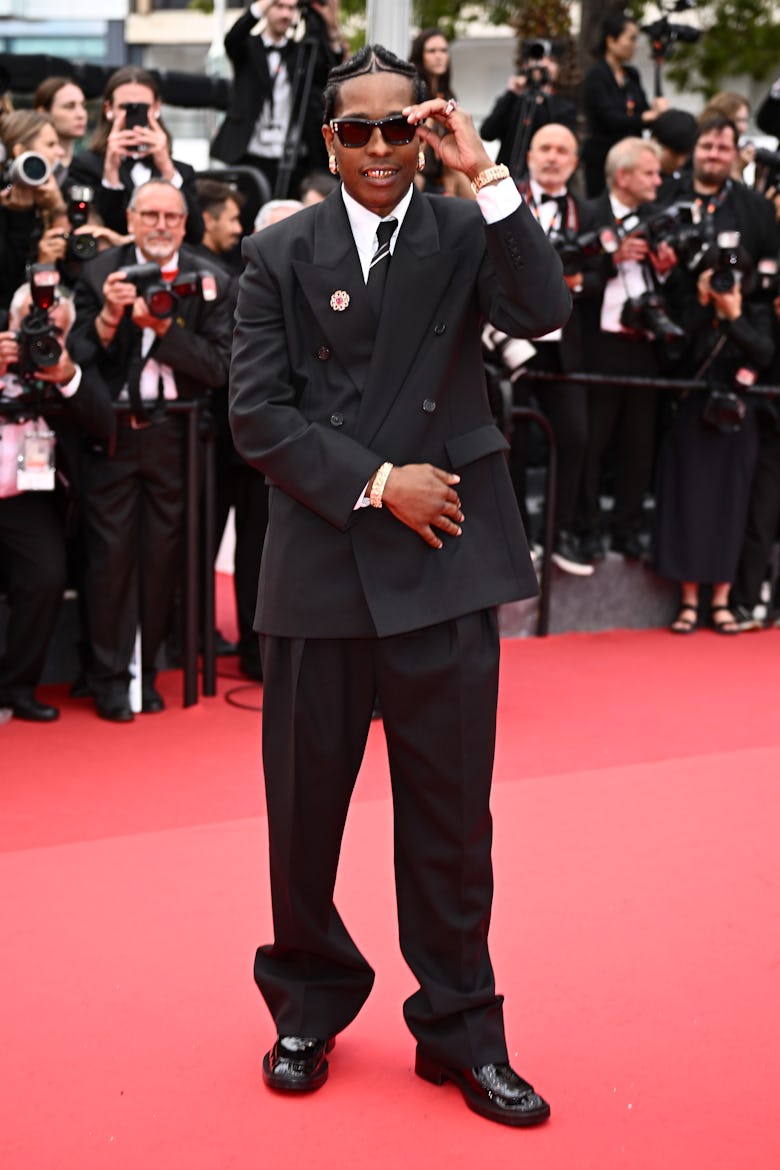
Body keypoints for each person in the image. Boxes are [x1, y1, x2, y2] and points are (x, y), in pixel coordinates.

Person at [229, 43, 570, 1125]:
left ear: (425, 132)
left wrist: (489, 175)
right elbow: (257, 415)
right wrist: (380, 481)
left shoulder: (467, 228)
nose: (382, 147)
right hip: (325, 571)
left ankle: (464, 1031)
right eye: (358, 130)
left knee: (451, 823)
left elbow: (545, 311)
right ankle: (306, 1006)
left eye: (401, 127)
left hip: (447, 565)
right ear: (329, 142)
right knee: (304, 817)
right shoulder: (280, 253)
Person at [68, 179, 233, 722]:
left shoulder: (210, 277)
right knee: (109, 558)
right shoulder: (98, 272)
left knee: (164, 557)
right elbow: (74, 357)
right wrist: (110, 318)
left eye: (171, 217)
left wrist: (161, 328)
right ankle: (110, 678)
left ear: (185, 225)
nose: (161, 226)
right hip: (112, 432)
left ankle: (148, 670)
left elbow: (217, 368)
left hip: (178, 437)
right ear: (132, 218)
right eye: (151, 215)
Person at [0, 280, 114, 721]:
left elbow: (104, 422)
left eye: (58, 331)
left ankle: (17, 688)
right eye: (33, 325)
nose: (44, 336)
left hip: (27, 498)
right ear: (12, 322)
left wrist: (67, 376)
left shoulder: (67, 362)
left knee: (47, 576)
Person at [496, 122, 604, 574]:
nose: (553, 157)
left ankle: (557, 534)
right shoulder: (506, 203)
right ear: (530, 155)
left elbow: (604, 274)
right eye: (545, 148)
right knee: (513, 442)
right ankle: (516, 537)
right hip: (513, 343)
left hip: (568, 346)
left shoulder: (591, 212)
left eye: (563, 150)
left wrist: (574, 283)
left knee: (575, 437)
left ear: (575, 162)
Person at [653, 255, 774, 633]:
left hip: (737, 421)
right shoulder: (694, 310)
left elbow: (765, 354)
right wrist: (705, 307)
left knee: (732, 507)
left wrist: (734, 316)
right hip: (693, 418)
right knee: (689, 504)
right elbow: (674, 356)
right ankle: (688, 600)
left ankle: (721, 599)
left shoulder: (755, 314)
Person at [580, 136, 677, 560]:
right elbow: (567, 272)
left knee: (640, 446)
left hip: (645, 343)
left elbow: (678, 289)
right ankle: (584, 527)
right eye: (650, 173)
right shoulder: (587, 212)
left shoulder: (660, 219)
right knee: (592, 442)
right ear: (623, 176)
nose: (660, 180)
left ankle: (628, 527)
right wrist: (611, 257)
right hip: (598, 343)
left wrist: (667, 271)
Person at [210, 0, 345, 197]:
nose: (285, 14)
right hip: (251, 154)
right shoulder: (248, 47)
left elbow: (330, 69)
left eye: (291, 8)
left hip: (291, 157)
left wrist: (331, 26)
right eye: (279, 6)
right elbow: (233, 38)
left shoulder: (300, 52)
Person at [67, 67, 204, 245]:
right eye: (125, 107)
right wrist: (111, 177)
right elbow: (96, 235)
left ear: (156, 108)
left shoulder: (181, 172)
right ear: (109, 109)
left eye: (143, 107)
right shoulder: (85, 166)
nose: (133, 115)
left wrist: (168, 171)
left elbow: (194, 234)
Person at [581, 10, 668, 197]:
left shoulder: (631, 75)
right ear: (611, 40)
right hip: (602, 161)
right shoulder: (596, 75)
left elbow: (643, 111)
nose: (635, 45)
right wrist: (646, 116)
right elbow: (609, 118)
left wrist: (655, 113)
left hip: (631, 158)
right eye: (631, 39)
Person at [480, 45, 577, 183]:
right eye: (538, 58)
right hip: (504, 181)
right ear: (526, 65)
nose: (543, 64)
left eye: (550, 60)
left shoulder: (563, 108)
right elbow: (487, 133)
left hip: (540, 182)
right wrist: (511, 94)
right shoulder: (513, 100)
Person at [0, 110, 66, 311]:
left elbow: (77, 266)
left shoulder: (62, 190)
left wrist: (58, 207)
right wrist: (18, 217)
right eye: (50, 145)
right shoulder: (4, 200)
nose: (60, 152)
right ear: (21, 152)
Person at [33, 76, 88, 180]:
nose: (81, 114)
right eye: (69, 106)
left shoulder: (90, 167)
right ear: (43, 113)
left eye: (83, 105)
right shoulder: (32, 170)